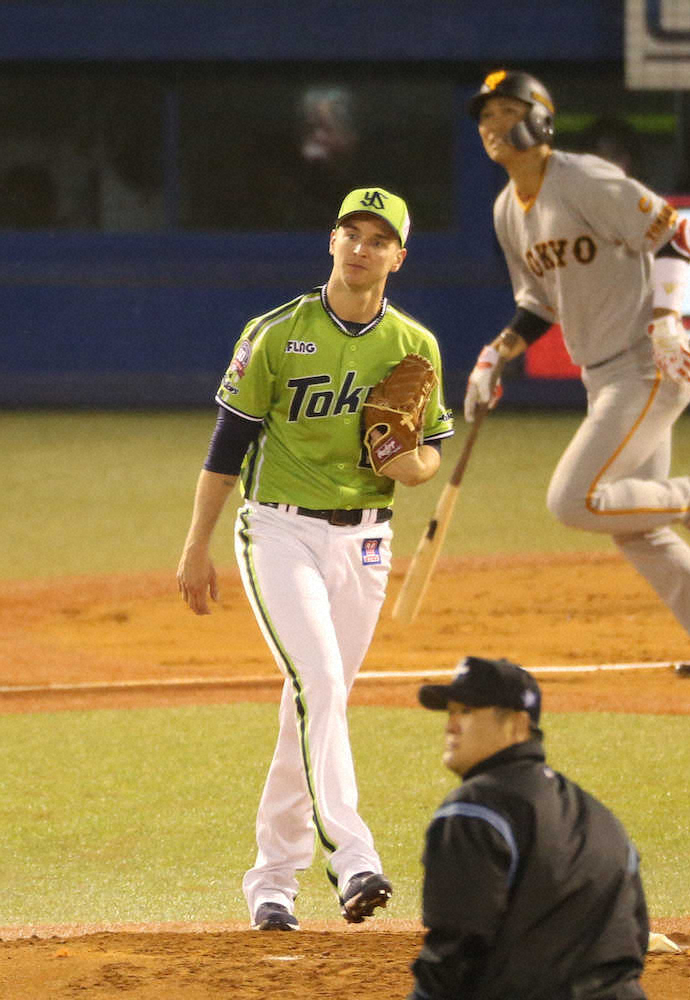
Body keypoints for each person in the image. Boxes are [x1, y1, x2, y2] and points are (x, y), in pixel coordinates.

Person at [176, 187, 454, 929]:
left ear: (399, 256)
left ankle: (271, 882)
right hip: (278, 531)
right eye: (350, 233)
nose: (361, 247)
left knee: (312, 703)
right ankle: (353, 857)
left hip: (365, 541)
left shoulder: (414, 346)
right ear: (332, 243)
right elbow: (227, 447)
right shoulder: (276, 332)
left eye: (377, 238)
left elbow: (426, 459)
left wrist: (408, 464)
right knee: (322, 684)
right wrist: (196, 543)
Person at [465, 70, 690, 679]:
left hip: (647, 362)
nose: (494, 125)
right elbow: (538, 303)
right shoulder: (508, 209)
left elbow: (677, 235)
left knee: (573, 499)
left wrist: (665, 322)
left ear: (541, 118)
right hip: (604, 375)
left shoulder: (581, 177)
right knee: (638, 529)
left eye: (507, 110)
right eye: (485, 116)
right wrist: (494, 355)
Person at [410, 656, 650, 1000]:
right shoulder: (600, 817)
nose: (451, 726)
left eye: (467, 712)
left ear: (517, 724)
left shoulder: (474, 809)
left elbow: (455, 950)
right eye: (451, 712)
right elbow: (633, 936)